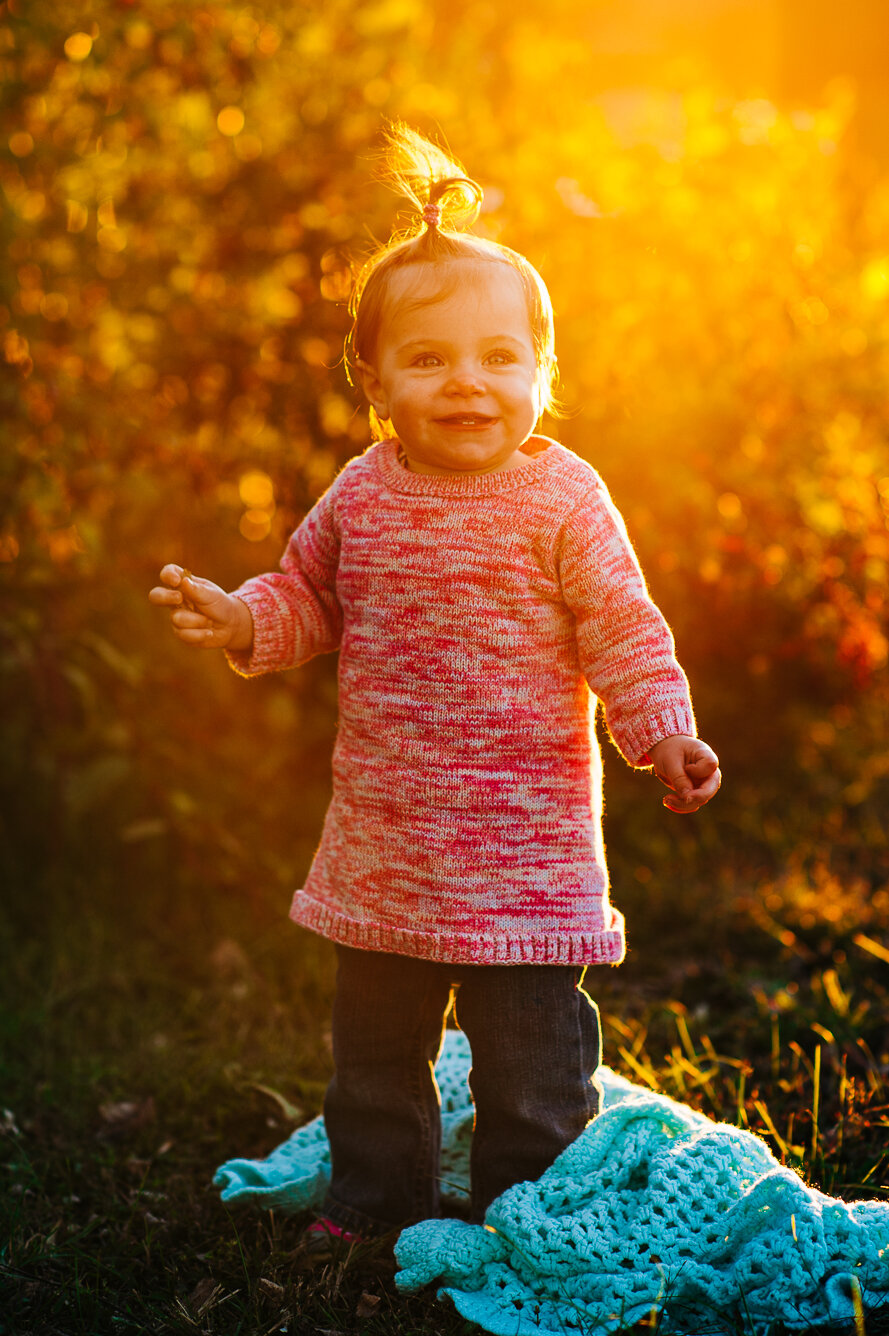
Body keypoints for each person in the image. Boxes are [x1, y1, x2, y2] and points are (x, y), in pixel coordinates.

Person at [150, 124, 721, 1248]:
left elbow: (625, 632)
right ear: (375, 381)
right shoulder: (364, 494)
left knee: (531, 1069)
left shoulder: (563, 500)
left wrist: (663, 733)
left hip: (527, 852)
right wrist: (241, 617)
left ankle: (529, 1214)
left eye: (500, 358)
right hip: (390, 842)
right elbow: (308, 595)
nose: (469, 381)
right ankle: (373, 1200)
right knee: (373, 1056)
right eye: (431, 358)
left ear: (541, 373)